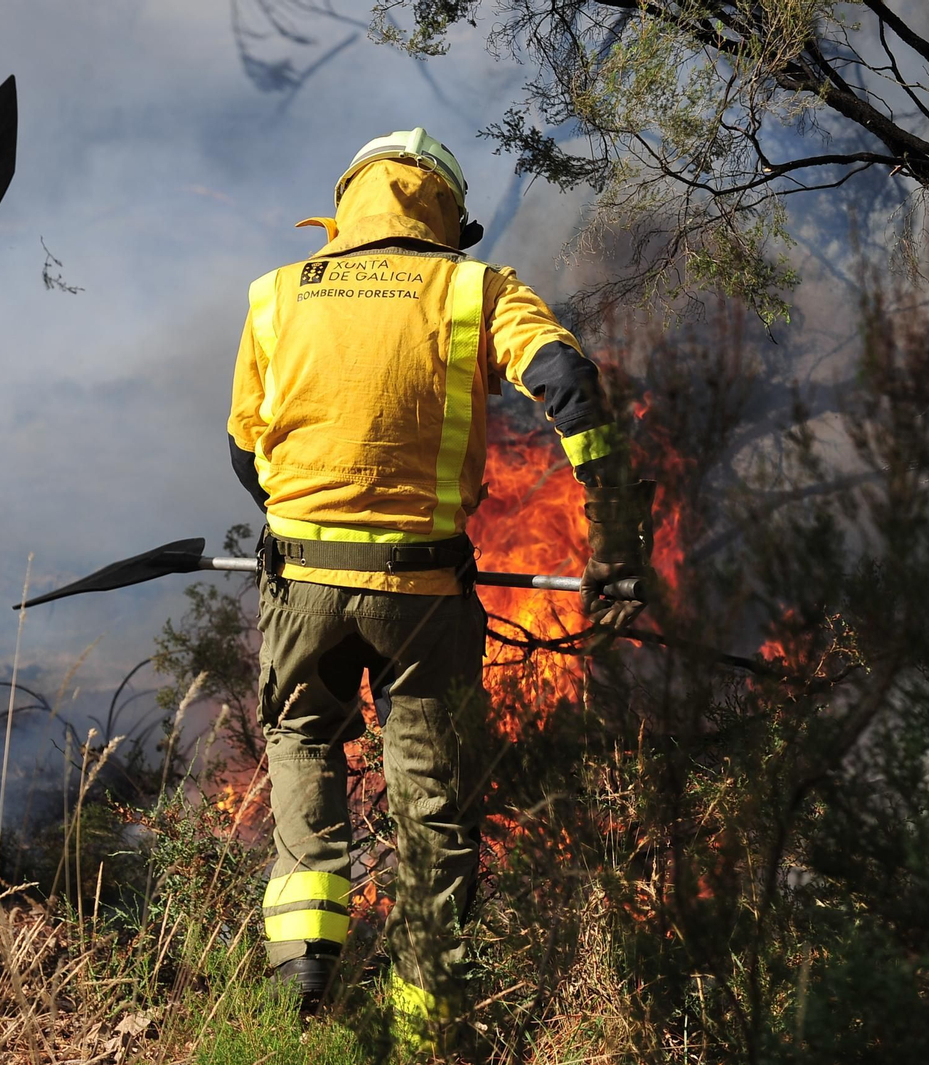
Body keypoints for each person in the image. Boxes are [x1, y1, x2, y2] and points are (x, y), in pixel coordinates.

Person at [227, 127, 655, 1051]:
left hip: (300, 579)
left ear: (347, 207)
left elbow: (244, 449)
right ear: (448, 217)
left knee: (302, 741)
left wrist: (310, 527)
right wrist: (616, 536)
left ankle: (304, 977)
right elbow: (569, 383)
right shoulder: (476, 288)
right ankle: (421, 1028)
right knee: (433, 805)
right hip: (422, 593)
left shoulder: (275, 293)